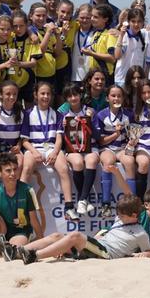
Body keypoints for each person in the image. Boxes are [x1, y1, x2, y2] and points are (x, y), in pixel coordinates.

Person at [15, 194, 150, 264]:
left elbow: (149, 251)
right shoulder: (120, 220)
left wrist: (145, 254)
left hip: (106, 254)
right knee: (57, 236)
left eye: (122, 215)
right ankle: (18, 251)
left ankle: (34, 256)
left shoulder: (140, 233)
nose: (119, 217)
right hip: (99, 246)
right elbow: (108, 232)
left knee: (75, 236)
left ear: (134, 215)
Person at [20, 81, 74, 227]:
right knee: (26, 169)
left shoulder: (57, 114)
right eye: (42, 93)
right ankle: (20, 207)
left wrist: (56, 152)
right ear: (35, 95)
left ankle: (69, 207)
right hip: (34, 147)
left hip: (51, 147)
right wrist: (33, 151)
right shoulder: (27, 114)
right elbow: (24, 140)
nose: (45, 96)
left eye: (48, 94)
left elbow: (59, 137)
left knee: (64, 168)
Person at [94, 85, 137, 217]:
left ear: (123, 98)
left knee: (130, 162)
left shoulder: (129, 114)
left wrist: (132, 141)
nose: (116, 98)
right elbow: (101, 141)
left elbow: (133, 134)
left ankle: (133, 201)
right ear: (107, 98)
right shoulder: (101, 115)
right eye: (113, 96)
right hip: (107, 148)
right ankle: (106, 204)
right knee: (108, 163)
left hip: (123, 148)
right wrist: (116, 133)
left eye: (119, 96)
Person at [59, 83, 99, 217]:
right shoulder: (62, 115)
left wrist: (90, 120)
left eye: (75, 94)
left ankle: (82, 200)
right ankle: (84, 199)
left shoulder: (90, 111)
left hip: (90, 147)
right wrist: (63, 126)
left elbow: (97, 136)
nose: (73, 98)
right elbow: (60, 138)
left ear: (80, 95)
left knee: (92, 160)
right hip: (73, 149)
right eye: (69, 96)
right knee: (77, 163)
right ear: (66, 99)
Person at [113, 8, 150, 87]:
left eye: (139, 21)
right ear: (128, 22)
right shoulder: (125, 36)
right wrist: (121, 36)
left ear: (143, 22)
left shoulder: (144, 35)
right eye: (133, 21)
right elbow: (117, 56)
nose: (136, 24)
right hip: (122, 78)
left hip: (137, 79)